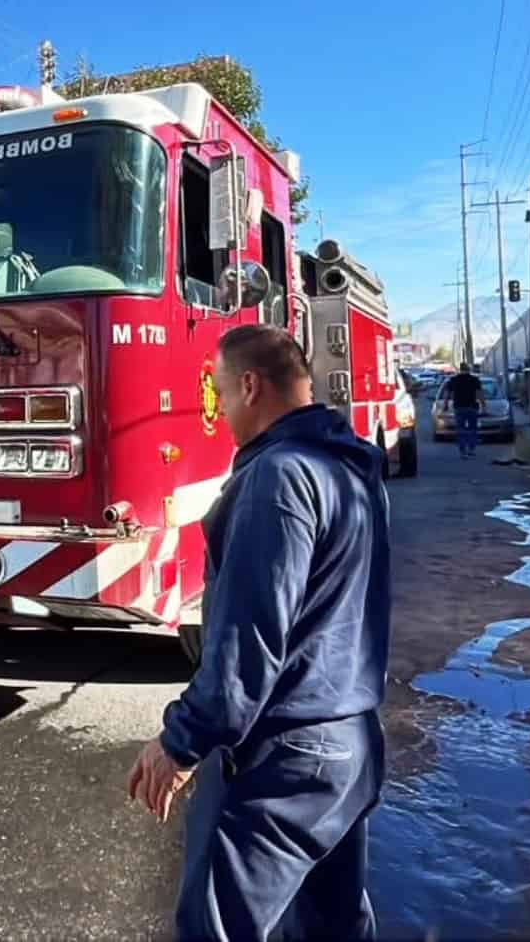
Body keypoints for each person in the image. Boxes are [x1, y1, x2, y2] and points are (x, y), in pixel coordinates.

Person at [126, 325, 392, 941]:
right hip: (348, 747)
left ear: (249, 386)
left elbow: (249, 639)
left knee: (214, 927)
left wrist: (180, 743)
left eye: (218, 395)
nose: (217, 414)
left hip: (284, 757)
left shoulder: (279, 478)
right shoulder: (351, 463)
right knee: (331, 927)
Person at [444, 362, 484, 460]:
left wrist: (445, 405)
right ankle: (471, 449)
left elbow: (447, 394)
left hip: (459, 407)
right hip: (472, 407)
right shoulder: (474, 380)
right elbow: (479, 394)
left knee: (460, 429)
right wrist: (483, 405)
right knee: (472, 429)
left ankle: (463, 451)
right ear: (468, 369)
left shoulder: (453, 380)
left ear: (460, 369)